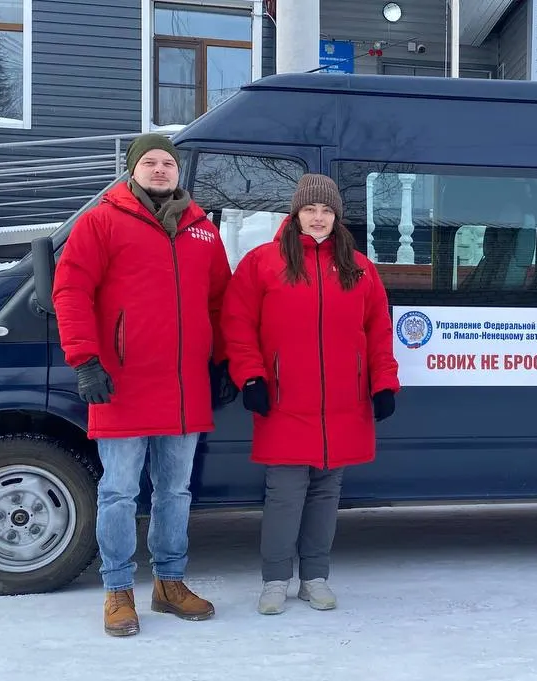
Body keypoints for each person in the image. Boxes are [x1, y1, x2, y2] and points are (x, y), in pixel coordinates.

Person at [53, 133, 235, 637]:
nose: (160, 169)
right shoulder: (101, 221)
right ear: (132, 169)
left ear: (178, 172)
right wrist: (85, 360)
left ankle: (169, 584)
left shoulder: (203, 231)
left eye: (167, 163)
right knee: (118, 492)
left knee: (175, 491)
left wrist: (223, 361)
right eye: (150, 162)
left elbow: (221, 302)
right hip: (121, 383)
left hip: (184, 386)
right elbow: (71, 290)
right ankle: (117, 590)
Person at [222, 173, 400, 615]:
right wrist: (251, 377)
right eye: (310, 209)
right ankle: (275, 580)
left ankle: (315, 577)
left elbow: (378, 329)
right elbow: (237, 325)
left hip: (342, 403)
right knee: (284, 495)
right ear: (296, 213)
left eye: (325, 210)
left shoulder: (359, 267)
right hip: (284, 401)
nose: (318, 218)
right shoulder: (262, 263)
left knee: (325, 494)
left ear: (336, 216)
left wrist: (383, 382)